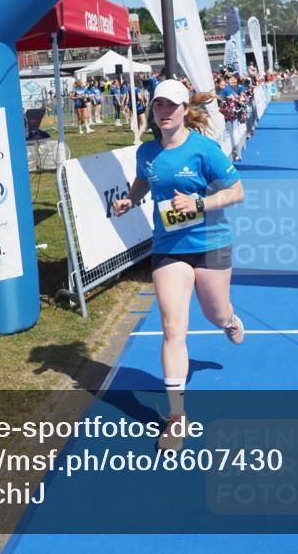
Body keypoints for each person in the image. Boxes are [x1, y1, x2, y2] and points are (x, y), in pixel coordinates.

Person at [112, 80, 246, 452]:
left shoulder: (204, 150)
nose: (165, 112)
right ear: (152, 110)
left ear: (185, 109)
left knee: (215, 313)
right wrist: (130, 200)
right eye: (159, 105)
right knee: (173, 329)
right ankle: (176, 417)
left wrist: (198, 204)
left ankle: (229, 320)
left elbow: (236, 192)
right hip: (169, 247)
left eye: (172, 106)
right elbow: (144, 180)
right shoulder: (147, 152)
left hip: (211, 244)